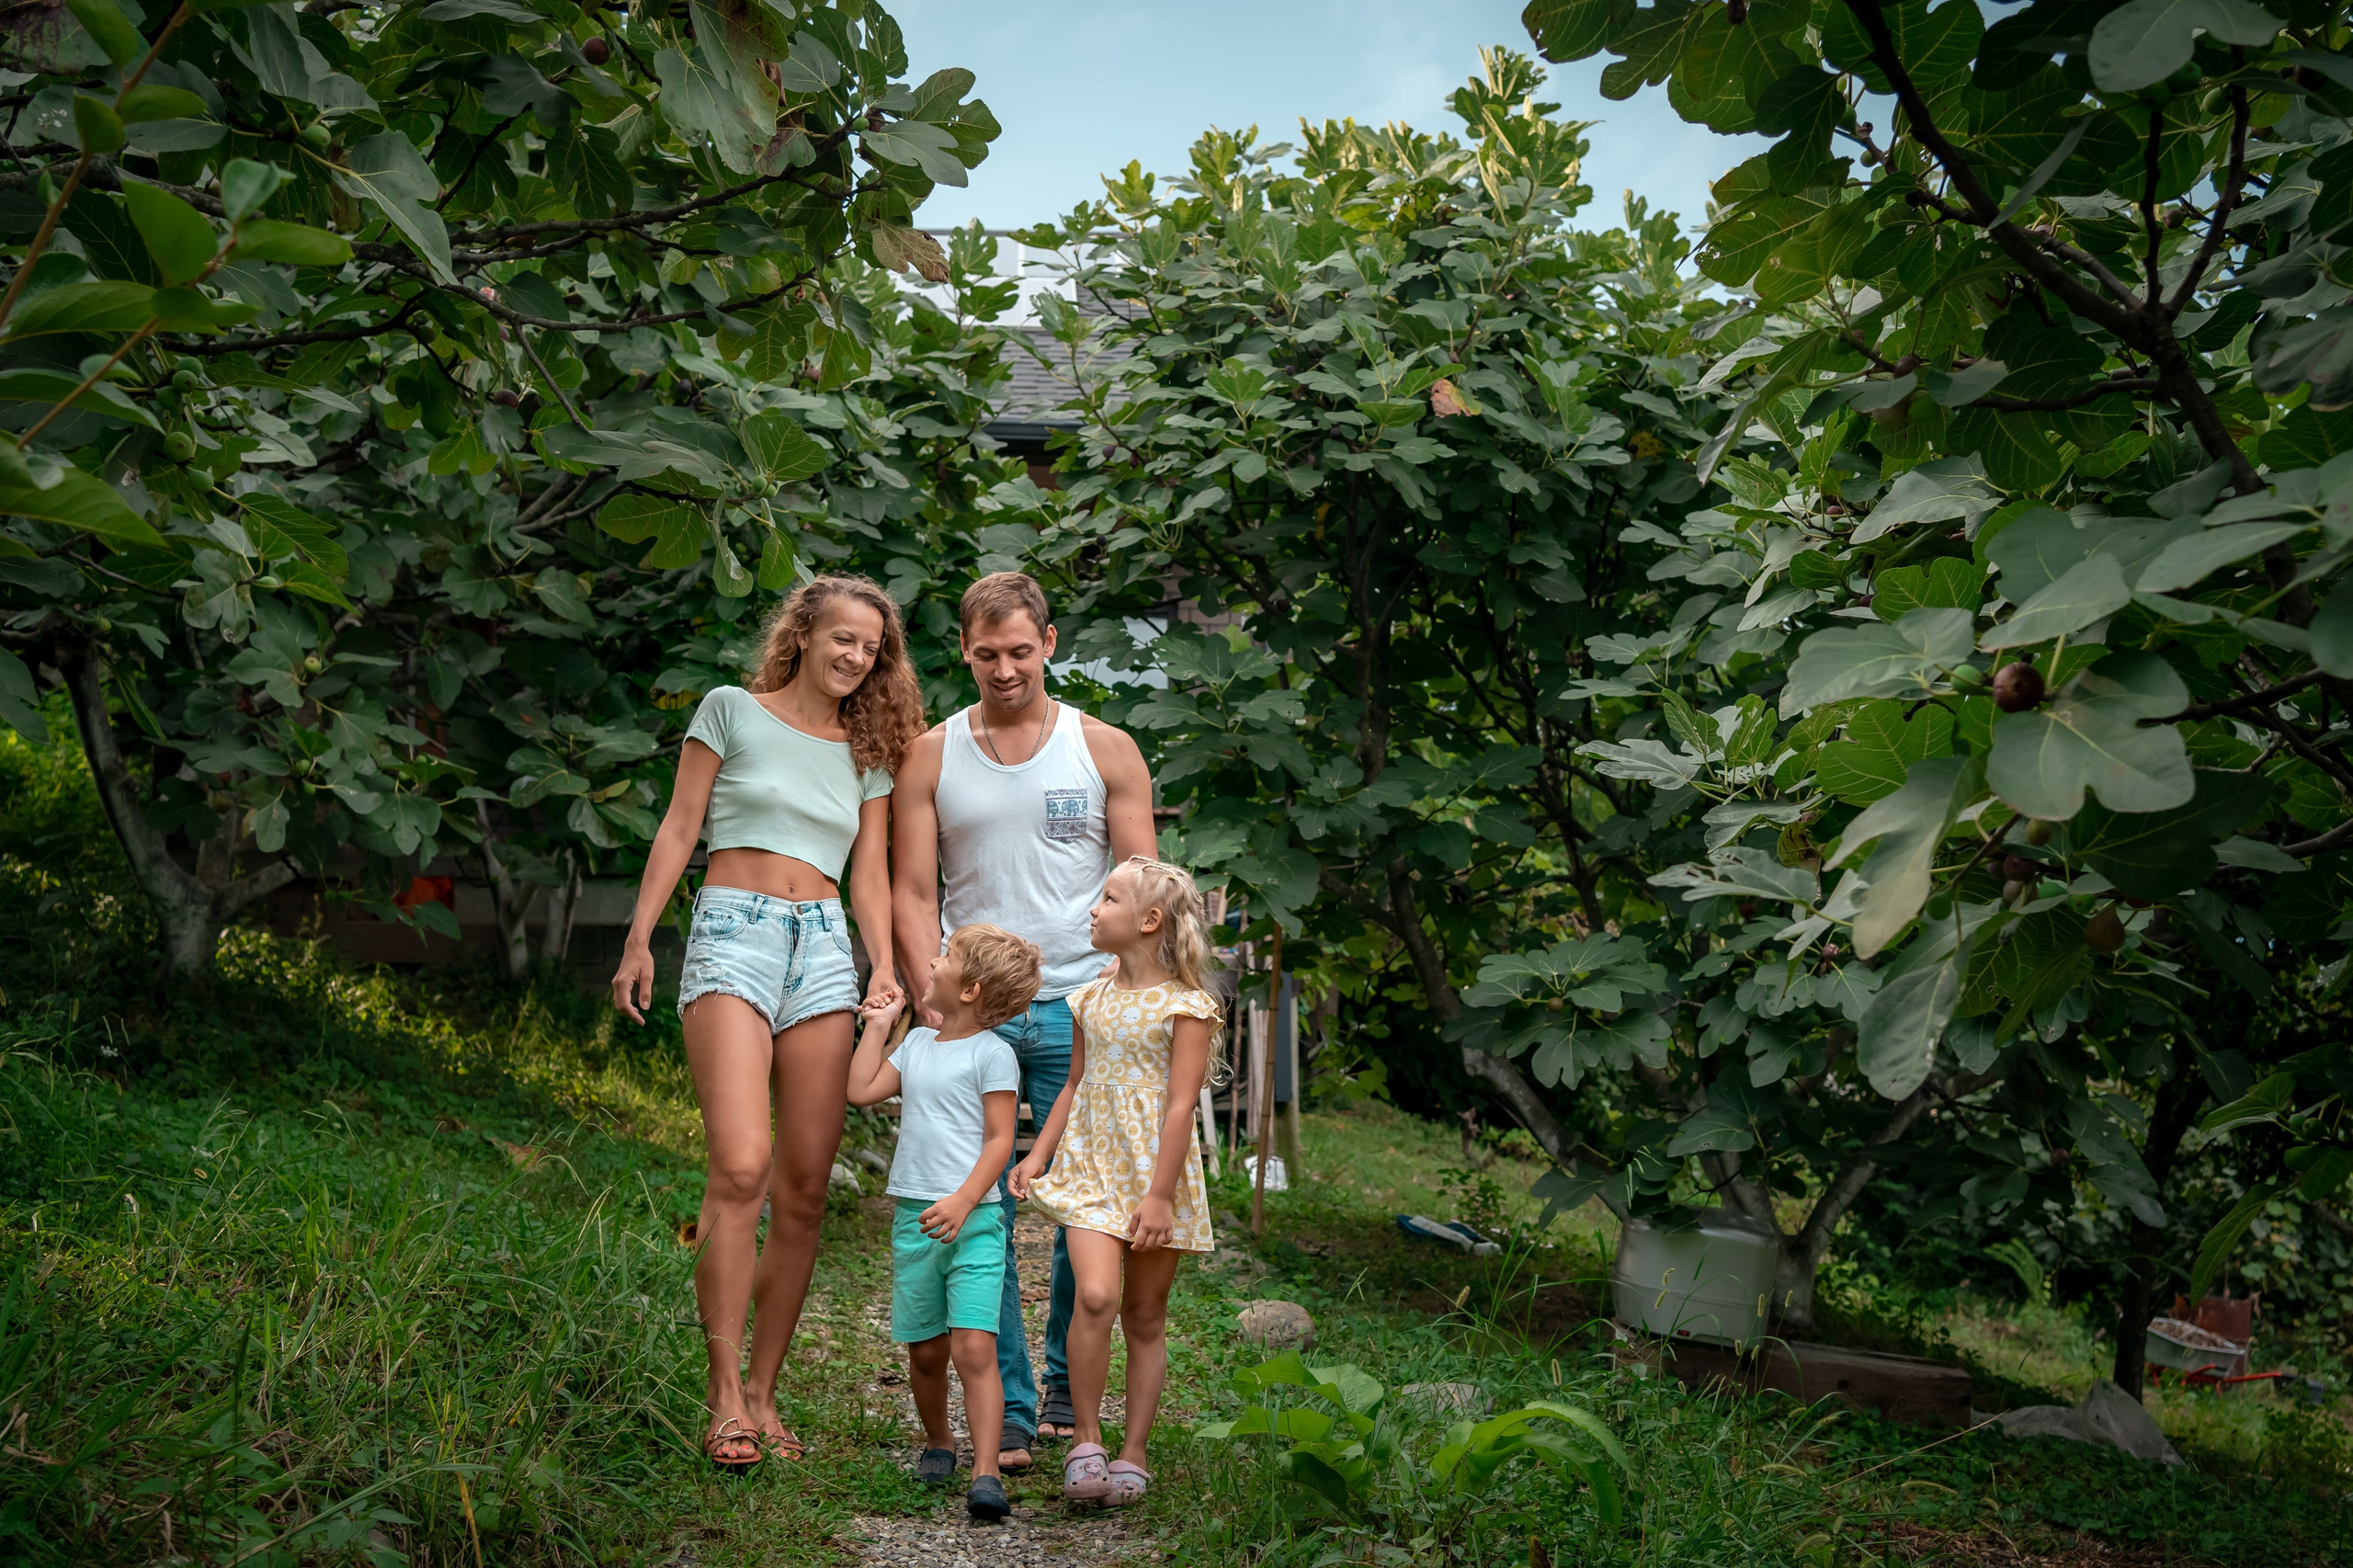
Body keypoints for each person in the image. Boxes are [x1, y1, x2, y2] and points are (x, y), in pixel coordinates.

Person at [610, 574, 923, 1473]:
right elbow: (679, 829)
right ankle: (721, 1398)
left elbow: (870, 874)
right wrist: (638, 939)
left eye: (871, 646)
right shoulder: (729, 710)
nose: (856, 655)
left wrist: (884, 966)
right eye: (843, 637)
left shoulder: (868, 751)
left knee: (806, 1186)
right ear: (804, 633)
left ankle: (763, 1390)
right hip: (731, 933)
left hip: (822, 946)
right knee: (742, 1163)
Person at [890, 572, 1158, 1467]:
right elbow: (913, 887)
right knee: (982, 1210)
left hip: (1084, 1009)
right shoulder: (932, 755)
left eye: (1018, 651)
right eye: (985, 654)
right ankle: (1003, 1405)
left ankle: (1061, 1389)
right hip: (976, 1014)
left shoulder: (1105, 748)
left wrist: (1126, 996)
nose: (1003, 670)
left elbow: (1144, 891)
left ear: (1048, 641)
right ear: (963, 651)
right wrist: (927, 986)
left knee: (1085, 1207)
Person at [1009, 858, 1220, 1506]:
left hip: (1156, 1178)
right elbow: (1073, 1084)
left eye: (1108, 899)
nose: (1093, 910)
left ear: (1149, 920)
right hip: (1091, 1173)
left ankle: (1135, 1451)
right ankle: (1086, 1440)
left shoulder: (1187, 1006)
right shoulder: (1088, 999)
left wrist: (1159, 1196)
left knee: (1145, 1314)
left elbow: (1181, 1106)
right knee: (1096, 1297)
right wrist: (1039, 1155)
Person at [846, 924, 1042, 1521]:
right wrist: (878, 1026)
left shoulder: (993, 1054)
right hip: (916, 1218)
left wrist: (962, 1201)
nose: (932, 961)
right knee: (927, 1350)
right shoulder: (916, 1045)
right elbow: (861, 1089)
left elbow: (1000, 1139)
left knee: (974, 1348)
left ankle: (986, 1473)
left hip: (975, 1220)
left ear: (971, 988)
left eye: (947, 956)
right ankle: (939, 1441)